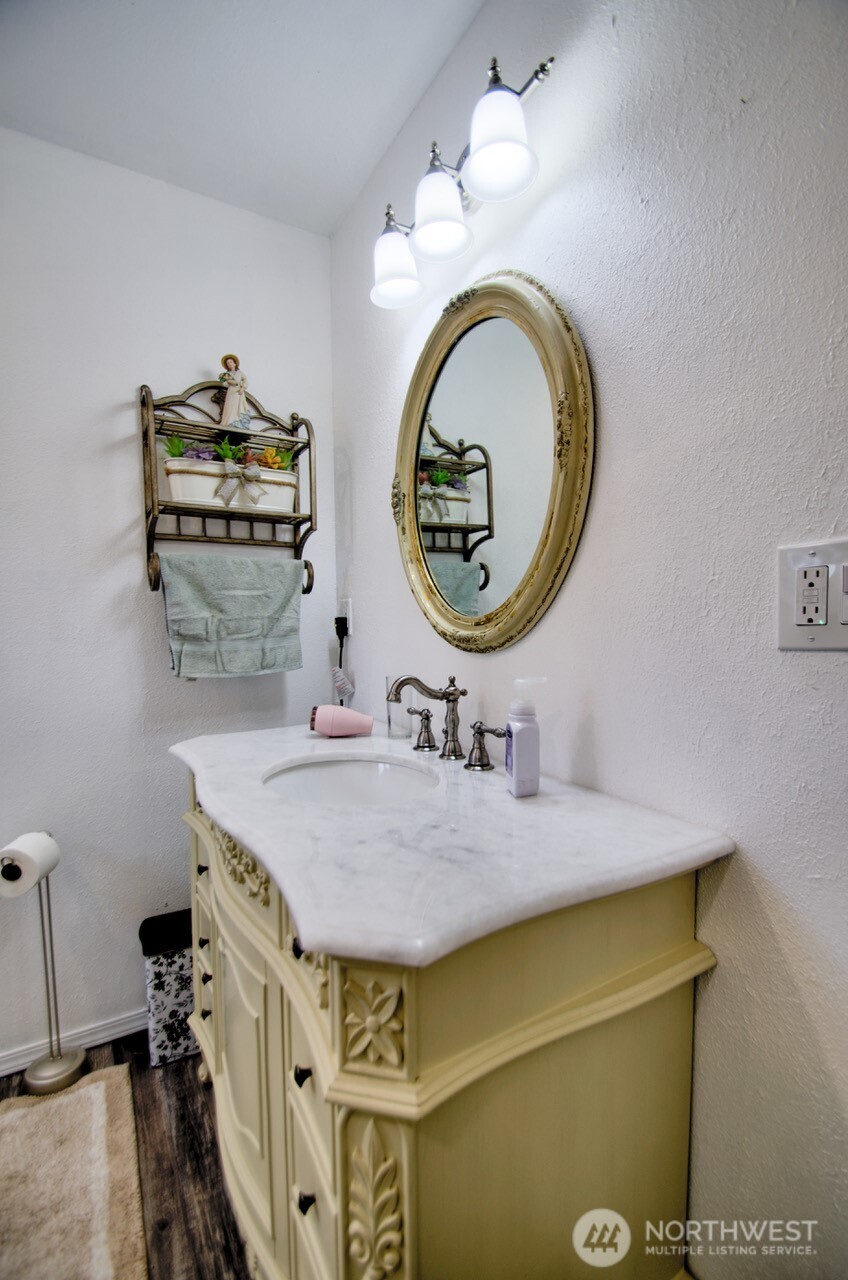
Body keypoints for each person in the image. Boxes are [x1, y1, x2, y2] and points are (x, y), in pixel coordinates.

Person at [218, 354, 251, 430]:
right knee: (230, 406)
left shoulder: (240, 373)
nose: (229, 364)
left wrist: (243, 387)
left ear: (235, 363)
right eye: (228, 363)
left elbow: (245, 381)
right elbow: (225, 384)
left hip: (238, 391)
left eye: (231, 362)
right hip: (231, 391)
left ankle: (238, 421)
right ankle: (229, 422)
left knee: (238, 406)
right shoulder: (227, 374)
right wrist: (228, 381)